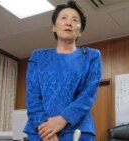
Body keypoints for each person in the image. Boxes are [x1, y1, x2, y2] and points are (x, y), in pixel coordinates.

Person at [23, 1, 102, 141]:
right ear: (54, 27)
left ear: (80, 31)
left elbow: (88, 94)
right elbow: (32, 96)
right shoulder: (38, 57)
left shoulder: (92, 56)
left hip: (78, 130)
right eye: (64, 18)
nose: (69, 22)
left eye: (75, 20)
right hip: (41, 132)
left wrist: (63, 119)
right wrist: (46, 129)